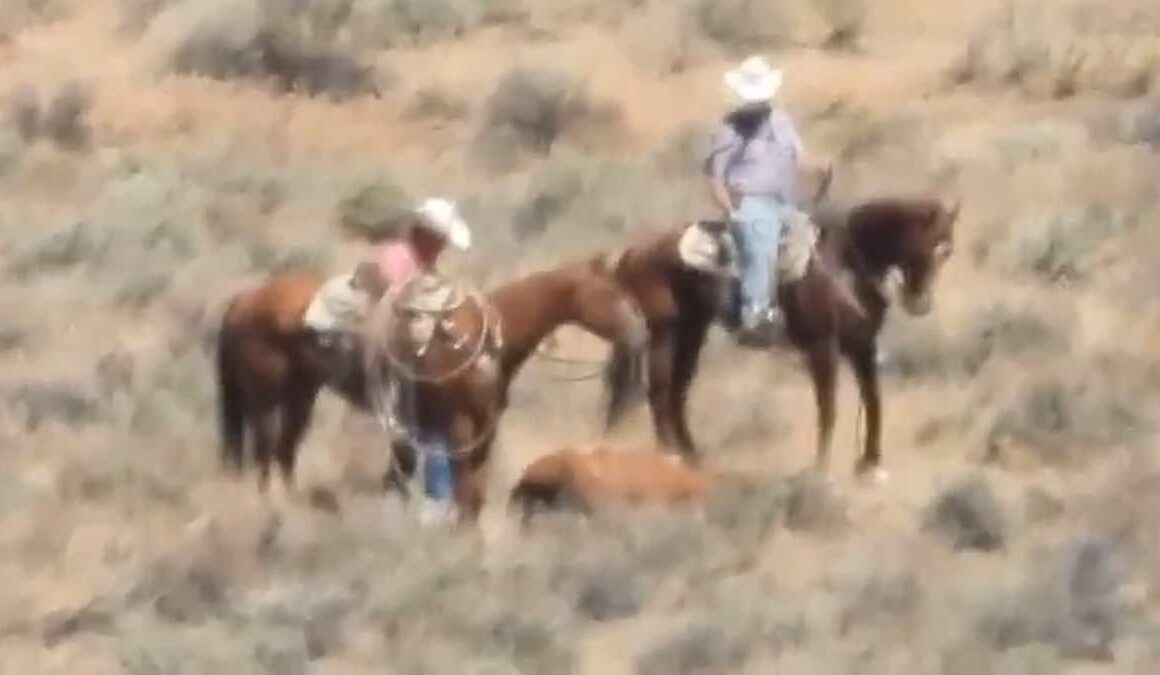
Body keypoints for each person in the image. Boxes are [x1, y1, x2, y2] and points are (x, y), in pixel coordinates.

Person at [702, 55, 826, 345]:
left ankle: (807, 313)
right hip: (750, 203)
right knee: (760, 246)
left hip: (785, 201)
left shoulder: (781, 121)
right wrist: (730, 209)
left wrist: (820, 168)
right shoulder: (729, 130)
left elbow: (800, 157)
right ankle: (753, 316)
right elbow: (714, 176)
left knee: (816, 241)